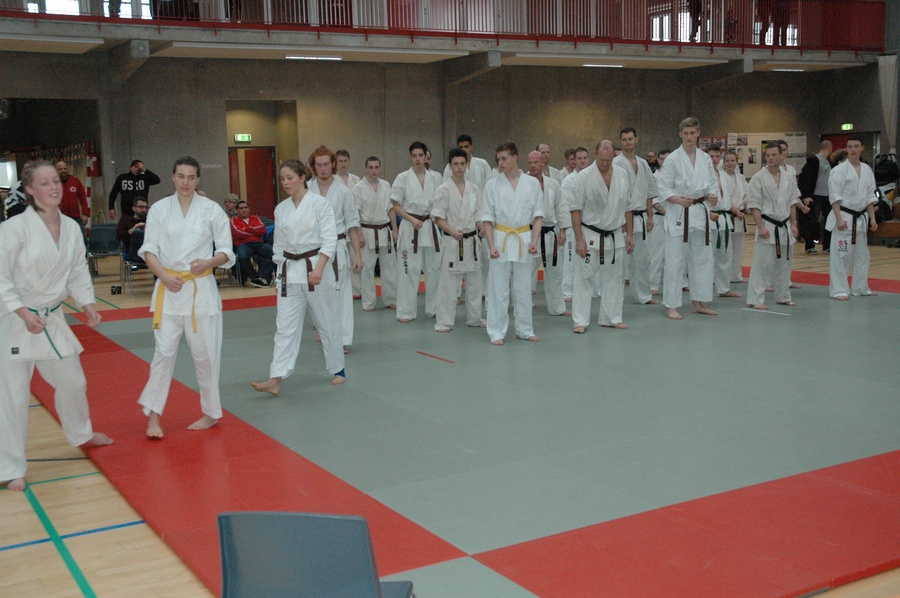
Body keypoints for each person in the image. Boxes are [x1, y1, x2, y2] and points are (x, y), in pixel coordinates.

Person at [0, 160, 113, 491]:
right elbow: (1, 277)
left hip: (51, 317)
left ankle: (81, 433)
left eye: (55, 181)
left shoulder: (71, 227)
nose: (53, 188)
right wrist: (23, 313)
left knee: (73, 381)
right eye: (44, 183)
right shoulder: (13, 229)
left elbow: (77, 270)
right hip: (14, 319)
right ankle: (9, 467)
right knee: (12, 395)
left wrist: (87, 303)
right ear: (30, 189)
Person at [136, 157, 235, 439]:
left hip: (200, 290)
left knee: (206, 356)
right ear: (172, 177)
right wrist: (164, 277)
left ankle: (210, 412)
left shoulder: (211, 209)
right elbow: (149, 250)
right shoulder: (159, 209)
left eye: (191, 177)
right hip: (168, 289)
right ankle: (153, 416)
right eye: (181, 176)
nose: (186, 182)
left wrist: (208, 263)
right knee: (163, 354)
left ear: (198, 179)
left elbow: (226, 251)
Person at [251, 160, 345, 395]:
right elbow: (279, 246)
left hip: (315, 267)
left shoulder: (320, 204)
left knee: (326, 321)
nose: (285, 183)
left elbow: (330, 239)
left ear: (303, 177)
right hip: (289, 271)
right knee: (285, 327)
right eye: (282, 179)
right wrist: (278, 276)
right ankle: (276, 378)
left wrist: (320, 268)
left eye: (290, 177)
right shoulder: (281, 209)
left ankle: (338, 369)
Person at [656, 117, 719, 320]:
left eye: (692, 133)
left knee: (702, 260)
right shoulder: (673, 159)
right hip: (679, 213)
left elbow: (712, 184)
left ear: (698, 133)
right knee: (675, 261)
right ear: (680, 134)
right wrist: (679, 200)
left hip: (699, 213)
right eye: (686, 133)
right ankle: (671, 305)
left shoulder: (705, 158)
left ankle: (698, 302)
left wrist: (712, 197)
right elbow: (663, 188)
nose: (689, 137)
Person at [482, 141, 543, 345]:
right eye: (498, 159)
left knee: (523, 288)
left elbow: (538, 216)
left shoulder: (532, 183)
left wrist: (534, 241)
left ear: (515, 158)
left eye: (504, 158)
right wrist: (491, 245)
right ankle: (496, 331)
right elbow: (487, 218)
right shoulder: (492, 185)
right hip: (501, 237)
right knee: (498, 288)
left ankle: (525, 329)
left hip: (523, 237)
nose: (500, 163)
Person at [571, 141, 634, 332]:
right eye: (602, 160)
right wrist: (579, 239)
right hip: (589, 234)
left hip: (615, 236)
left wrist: (630, 234)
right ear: (595, 154)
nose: (605, 163)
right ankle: (580, 321)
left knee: (614, 279)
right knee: (584, 280)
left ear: (614, 156)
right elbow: (575, 210)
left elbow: (628, 207)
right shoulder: (583, 177)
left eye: (608, 160)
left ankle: (611, 317)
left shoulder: (622, 175)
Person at [308, 146, 362, 351]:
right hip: (312, 248)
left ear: (333, 165)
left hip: (337, 247)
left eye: (326, 164)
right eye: (318, 165)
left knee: (341, 296)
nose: (323, 168)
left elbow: (352, 225)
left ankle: (343, 339)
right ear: (313, 167)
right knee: (316, 294)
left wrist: (357, 255)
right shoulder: (306, 190)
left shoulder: (343, 191)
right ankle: (325, 330)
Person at [432, 148, 485, 332]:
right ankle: (444, 321)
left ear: (466, 165)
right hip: (452, 241)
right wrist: (452, 232)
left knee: (475, 282)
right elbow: (438, 218)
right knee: (448, 284)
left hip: (471, 242)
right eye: (456, 164)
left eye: (463, 163)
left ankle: (475, 318)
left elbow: (478, 214)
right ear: (450, 166)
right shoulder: (443, 190)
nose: (460, 167)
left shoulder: (474, 189)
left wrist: (482, 228)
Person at [390, 141, 443, 323]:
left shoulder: (436, 177)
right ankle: (406, 311)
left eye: (421, 155)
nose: (418, 159)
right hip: (410, 225)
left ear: (426, 156)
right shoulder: (402, 178)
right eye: (414, 156)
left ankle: (434, 308)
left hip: (430, 226)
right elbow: (395, 205)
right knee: (408, 271)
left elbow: (441, 202)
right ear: (410, 157)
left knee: (434, 269)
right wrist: (411, 219)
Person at [746, 143, 799, 310]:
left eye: (774, 155)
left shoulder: (788, 177)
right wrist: (760, 226)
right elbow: (754, 204)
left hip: (785, 225)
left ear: (781, 155)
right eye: (767, 155)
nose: (770, 158)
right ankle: (755, 299)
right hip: (768, 224)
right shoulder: (758, 178)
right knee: (761, 265)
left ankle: (783, 296)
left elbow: (792, 202)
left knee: (784, 264)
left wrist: (794, 223)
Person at [826, 135, 879, 300]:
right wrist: (839, 219)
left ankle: (860, 288)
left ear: (862, 148)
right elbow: (834, 197)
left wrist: (872, 218)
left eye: (856, 146)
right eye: (850, 146)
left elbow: (870, 197)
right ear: (846, 149)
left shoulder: (867, 169)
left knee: (862, 256)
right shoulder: (838, 170)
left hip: (860, 219)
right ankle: (839, 290)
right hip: (843, 217)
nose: (853, 149)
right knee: (841, 255)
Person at [614, 127, 658, 306]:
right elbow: (616, 194)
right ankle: (615, 298)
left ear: (636, 140)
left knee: (642, 260)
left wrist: (650, 216)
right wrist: (621, 219)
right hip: (623, 219)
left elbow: (649, 191)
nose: (627, 143)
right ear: (620, 142)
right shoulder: (616, 163)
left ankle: (643, 296)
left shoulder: (643, 163)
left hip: (641, 217)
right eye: (624, 140)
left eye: (630, 139)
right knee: (619, 262)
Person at [526, 150, 570, 316]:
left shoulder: (552, 184)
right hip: (530, 233)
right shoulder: (522, 183)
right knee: (525, 273)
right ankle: (522, 307)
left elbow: (561, 207)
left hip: (551, 233)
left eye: (536, 162)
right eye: (530, 163)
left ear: (543, 163)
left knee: (555, 272)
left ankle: (557, 308)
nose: (533, 166)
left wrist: (563, 230)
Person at [352, 156, 398, 311]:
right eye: (370, 167)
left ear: (380, 168)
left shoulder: (386, 185)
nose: (373, 170)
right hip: (366, 230)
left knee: (390, 267)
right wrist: (359, 234)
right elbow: (355, 214)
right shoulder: (358, 188)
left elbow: (391, 209)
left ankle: (391, 299)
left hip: (384, 230)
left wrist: (395, 230)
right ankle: (369, 302)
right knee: (367, 268)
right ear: (366, 168)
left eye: (376, 167)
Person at [707, 145, 744, 298]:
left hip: (724, 219)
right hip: (709, 219)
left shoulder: (722, 174)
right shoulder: (702, 174)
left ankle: (723, 288)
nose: (714, 159)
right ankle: (705, 287)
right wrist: (708, 213)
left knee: (725, 255)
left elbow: (727, 200)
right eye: (711, 156)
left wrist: (736, 211)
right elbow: (698, 198)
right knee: (709, 256)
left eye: (717, 156)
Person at [561, 147, 592, 302]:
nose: (582, 161)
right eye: (579, 158)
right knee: (570, 259)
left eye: (585, 158)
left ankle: (591, 288)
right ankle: (568, 291)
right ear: (574, 161)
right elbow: (565, 205)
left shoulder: (593, 177)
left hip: (591, 225)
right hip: (573, 226)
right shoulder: (568, 181)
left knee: (589, 258)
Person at [336, 149, 363, 298]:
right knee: (341, 261)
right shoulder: (332, 180)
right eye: (340, 161)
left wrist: (360, 230)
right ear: (335, 163)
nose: (343, 164)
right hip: (339, 223)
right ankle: (340, 289)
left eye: (345, 161)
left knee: (355, 257)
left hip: (353, 222)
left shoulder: (356, 180)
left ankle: (357, 290)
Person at [720, 150, 750, 284]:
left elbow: (747, 195)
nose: (730, 163)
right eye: (727, 161)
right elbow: (724, 197)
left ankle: (736, 275)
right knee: (726, 248)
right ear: (724, 162)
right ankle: (723, 276)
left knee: (739, 248)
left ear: (737, 162)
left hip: (740, 217)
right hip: (728, 215)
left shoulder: (741, 178)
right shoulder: (721, 177)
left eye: (732, 160)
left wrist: (748, 207)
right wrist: (735, 210)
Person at [797, 140, 833, 254]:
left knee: (829, 220)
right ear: (829, 148)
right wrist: (806, 196)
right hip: (815, 195)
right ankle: (810, 245)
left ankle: (827, 245)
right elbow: (805, 179)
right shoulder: (814, 160)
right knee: (812, 221)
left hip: (827, 196)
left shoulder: (828, 161)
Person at [230, 200, 275, 287]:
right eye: (241, 208)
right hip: (243, 244)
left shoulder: (255, 218)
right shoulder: (233, 220)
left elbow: (262, 229)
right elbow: (238, 233)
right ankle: (255, 277)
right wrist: (254, 231)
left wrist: (246, 229)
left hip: (258, 243)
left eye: (245, 207)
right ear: (237, 210)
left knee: (274, 254)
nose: (244, 210)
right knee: (242, 257)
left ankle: (264, 277)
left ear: (249, 209)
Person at [648, 149, 671, 294]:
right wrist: (669, 213)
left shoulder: (676, 176)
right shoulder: (654, 177)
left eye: (667, 159)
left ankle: (682, 281)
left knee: (676, 252)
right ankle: (653, 284)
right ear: (658, 160)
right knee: (656, 253)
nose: (664, 162)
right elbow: (654, 201)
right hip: (659, 217)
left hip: (675, 220)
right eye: (662, 159)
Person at [116, 195, 149, 266]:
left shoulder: (150, 220)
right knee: (137, 232)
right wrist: (131, 230)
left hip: (149, 250)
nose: (144, 210)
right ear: (134, 208)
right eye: (141, 207)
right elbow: (118, 236)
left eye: (146, 207)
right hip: (131, 251)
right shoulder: (125, 220)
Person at [55, 160, 90, 226]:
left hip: (75, 217)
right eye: (60, 169)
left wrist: (85, 214)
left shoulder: (75, 181)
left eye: (65, 168)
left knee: (80, 233)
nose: (63, 170)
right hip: (60, 218)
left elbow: (83, 198)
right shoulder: (53, 183)